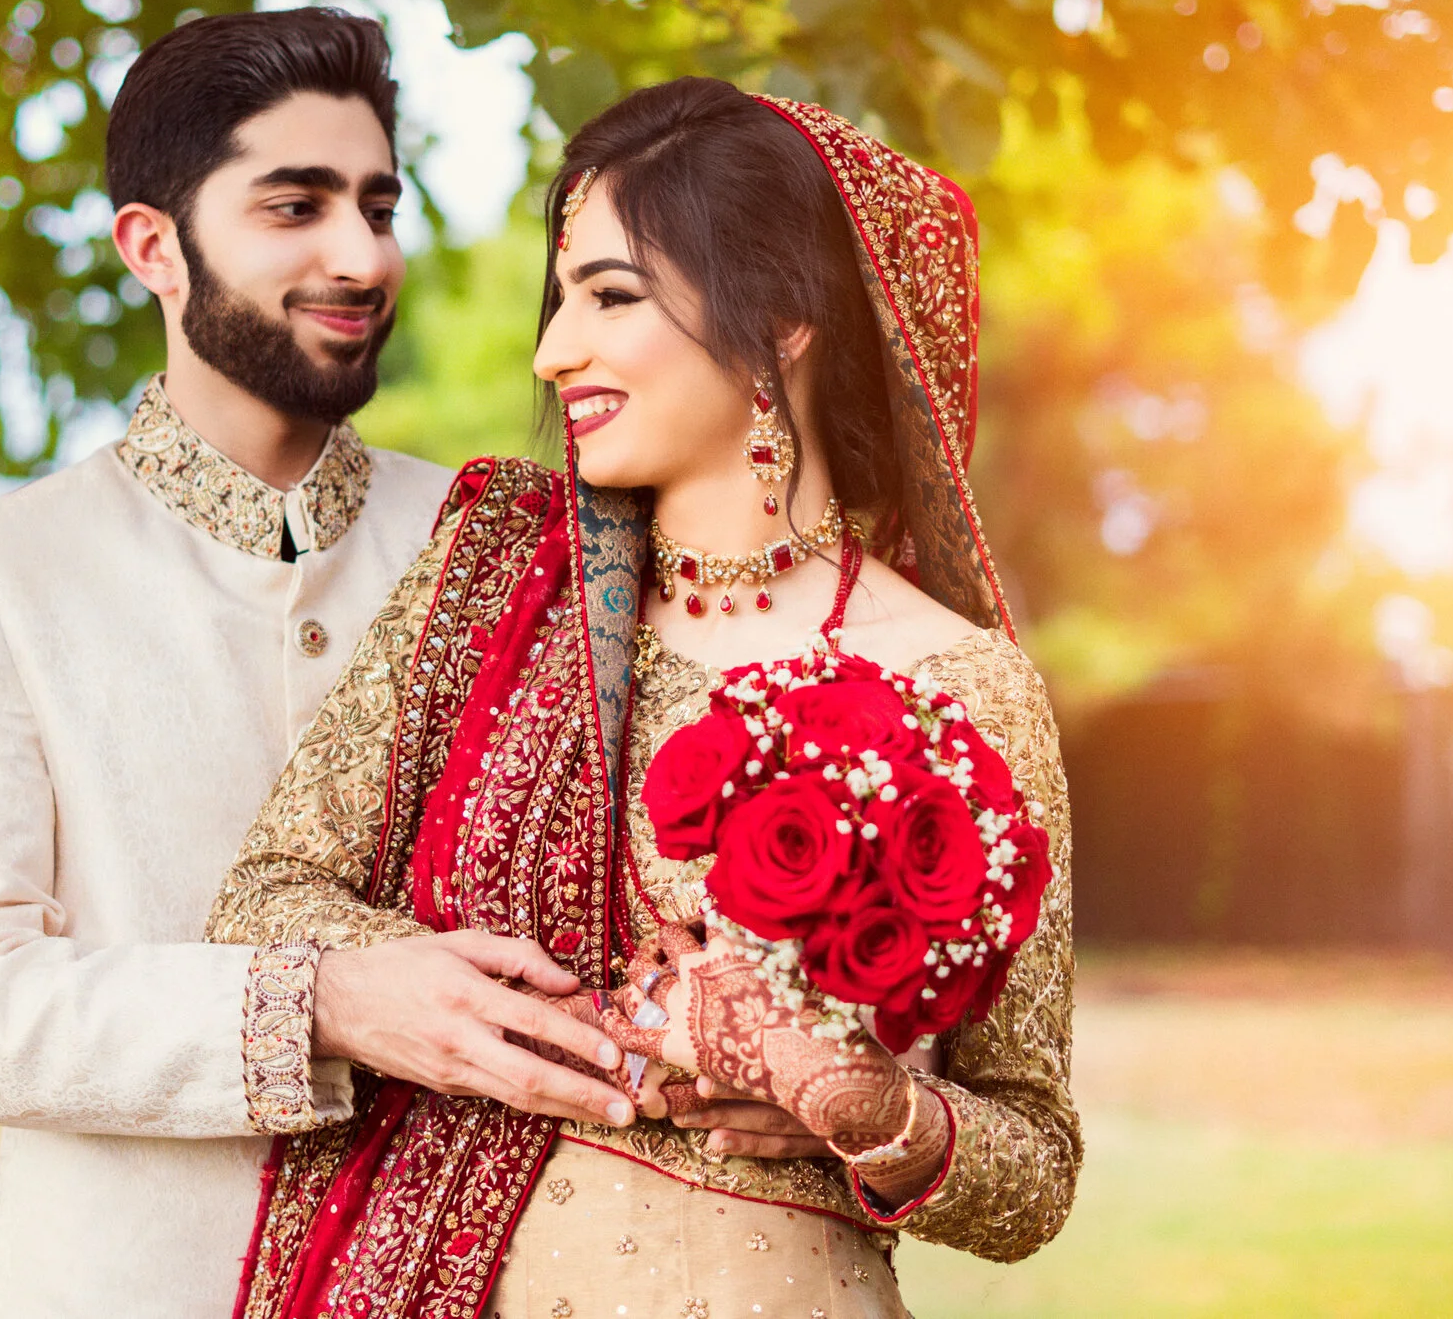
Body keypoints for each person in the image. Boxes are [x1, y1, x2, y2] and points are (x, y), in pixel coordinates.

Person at [208, 78, 1079, 1318]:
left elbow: (1035, 1164)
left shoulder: (963, 683)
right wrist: (523, 1013)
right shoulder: (499, 580)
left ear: (782, 315)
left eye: (610, 296)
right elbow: (262, 901)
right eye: (562, 298)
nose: (551, 351)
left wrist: (872, 1109)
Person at [0, 8, 630, 1319]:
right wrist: (320, 1003)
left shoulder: (499, 541)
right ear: (153, 247)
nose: (359, 254)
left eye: (378, 206)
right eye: (296, 205)